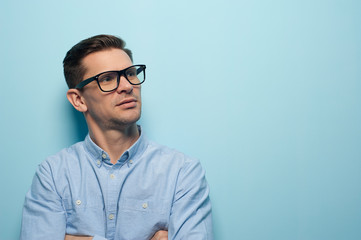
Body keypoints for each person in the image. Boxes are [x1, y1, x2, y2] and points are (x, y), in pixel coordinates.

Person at [20, 34, 213, 240]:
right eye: (107, 78)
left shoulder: (182, 173)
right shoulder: (52, 175)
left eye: (130, 73)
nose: (127, 86)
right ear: (78, 100)